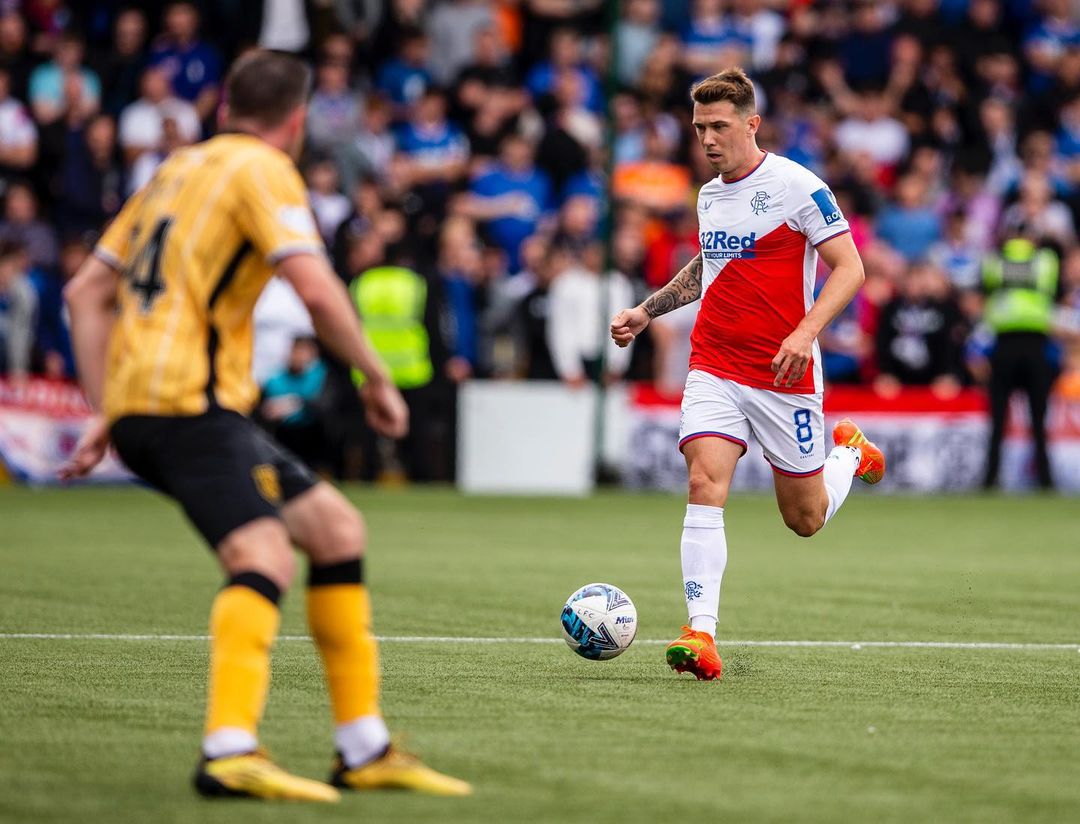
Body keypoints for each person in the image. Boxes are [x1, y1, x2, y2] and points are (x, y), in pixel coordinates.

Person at [59, 50, 470, 802]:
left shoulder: (174, 170)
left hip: (167, 404)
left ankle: (363, 747)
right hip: (188, 403)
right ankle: (229, 750)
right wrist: (375, 377)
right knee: (263, 554)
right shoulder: (263, 168)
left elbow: (85, 291)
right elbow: (314, 288)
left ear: (223, 108)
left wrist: (106, 407)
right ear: (297, 121)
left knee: (337, 531)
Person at [609, 68, 885, 682]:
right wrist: (646, 311)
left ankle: (850, 454)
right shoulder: (709, 195)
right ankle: (700, 633)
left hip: (784, 373)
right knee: (703, 482)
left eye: (718, 126)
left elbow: (851, 269)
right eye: (699, 128)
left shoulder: (797, 185)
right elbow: (709, 265)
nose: (707, 139)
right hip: (714, 363)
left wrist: (805, 333)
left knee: (804, 519)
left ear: (751, 124)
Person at [980, 230, 1060, 490]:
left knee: (997, 419)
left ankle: (990, 479)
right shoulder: (1045, 260)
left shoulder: (994, 261)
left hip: (1004, 344)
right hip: (1036, 344)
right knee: (1038, 418)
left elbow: (986, 287)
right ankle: (1045, 480)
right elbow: (1053, 290)